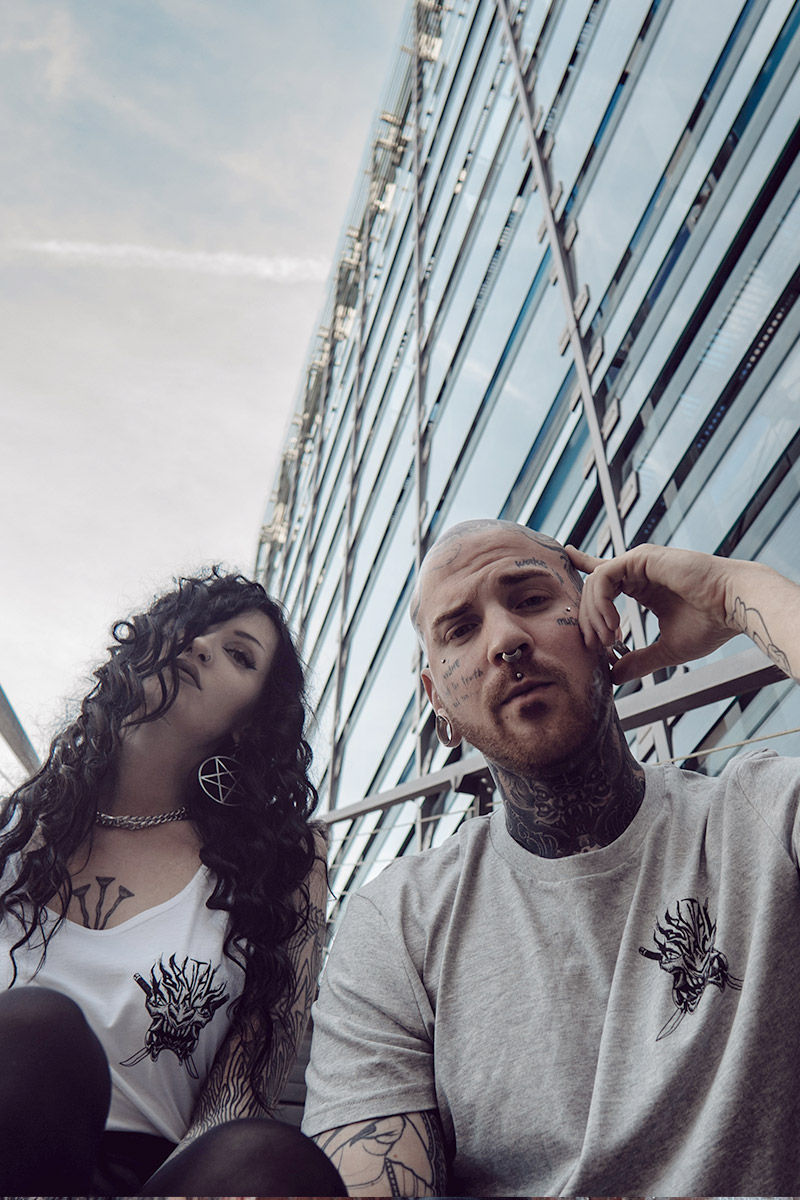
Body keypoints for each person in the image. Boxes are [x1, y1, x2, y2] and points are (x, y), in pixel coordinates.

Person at [302, 519, 800, 1196]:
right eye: (460, 629)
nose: (506, 639)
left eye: (533, 599)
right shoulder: (397, 924)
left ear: (604, 625)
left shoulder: (760, 817)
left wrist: (734, 589)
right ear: (439, 703)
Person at [0, 567, 345, 1196]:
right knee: (39, 1031)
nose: (201, 645)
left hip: (150, 1180)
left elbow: (242, 1096)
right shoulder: (16, 831)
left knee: (269, 1160)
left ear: (250, 723)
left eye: (239, 655)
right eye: (190, 627)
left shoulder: (282, 866)